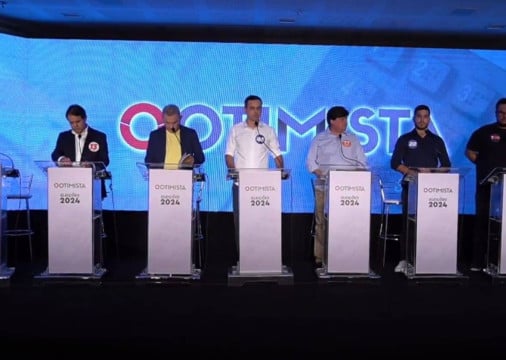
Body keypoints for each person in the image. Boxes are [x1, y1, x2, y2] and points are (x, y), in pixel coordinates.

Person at [391, 104, 451, 272]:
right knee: (408, 223)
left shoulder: (437, 140)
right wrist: (412, 172)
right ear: (414, 118)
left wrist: (432, 173)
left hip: (432, 188)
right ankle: (404, 259)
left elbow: (446, 165)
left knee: (430, 224)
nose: (422, 119)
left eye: (425, 116)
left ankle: (428, 259)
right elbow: (395, 163)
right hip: (411, 185)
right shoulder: (404, 139)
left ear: (429, 119)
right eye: (419, 116)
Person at [224, 94, 285, 262]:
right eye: (252, 108)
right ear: (245, 110)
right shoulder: (236, 129)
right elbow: (229, 154)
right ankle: (243, 258)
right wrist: (233, 170)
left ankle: (263, 258)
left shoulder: (268, 130)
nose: (256, 112)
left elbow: (277, 154)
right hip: (241, 183)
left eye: (259, 108)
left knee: (262, 223)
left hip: (263, 187)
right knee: (242, 223)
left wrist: (281, 169)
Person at [306, 106, 368, 267]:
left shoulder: (352, 138)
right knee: (322, 221)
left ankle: (348, 255)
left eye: (346, 119)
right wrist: (322, 174)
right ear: (332, 121)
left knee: (348, 222)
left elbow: (362, 161)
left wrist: (361, 175)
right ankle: (320, 257)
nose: (345, 122)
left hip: (349, 189)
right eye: (341, 119)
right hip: (325, 187)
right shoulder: (319, 139)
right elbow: (311, 162)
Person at [465, 98, 506, 272]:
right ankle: (478, 262)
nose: (503, 116)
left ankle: (500, 262)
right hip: (486, 186)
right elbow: (470, 152)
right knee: (482, 224)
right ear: (495, 112)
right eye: (500, 112)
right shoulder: (483, 132)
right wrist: (483, 165)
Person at [51, 104, 110, 199]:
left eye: (78, 121)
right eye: (71, 123)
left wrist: (91, 166)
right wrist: (61, 159)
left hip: (93, 184)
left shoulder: (99, 136)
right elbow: (55, 154)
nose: (75, 125)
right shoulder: (64, 136)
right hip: (68, 186)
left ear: (85, 118)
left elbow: (105, 161)